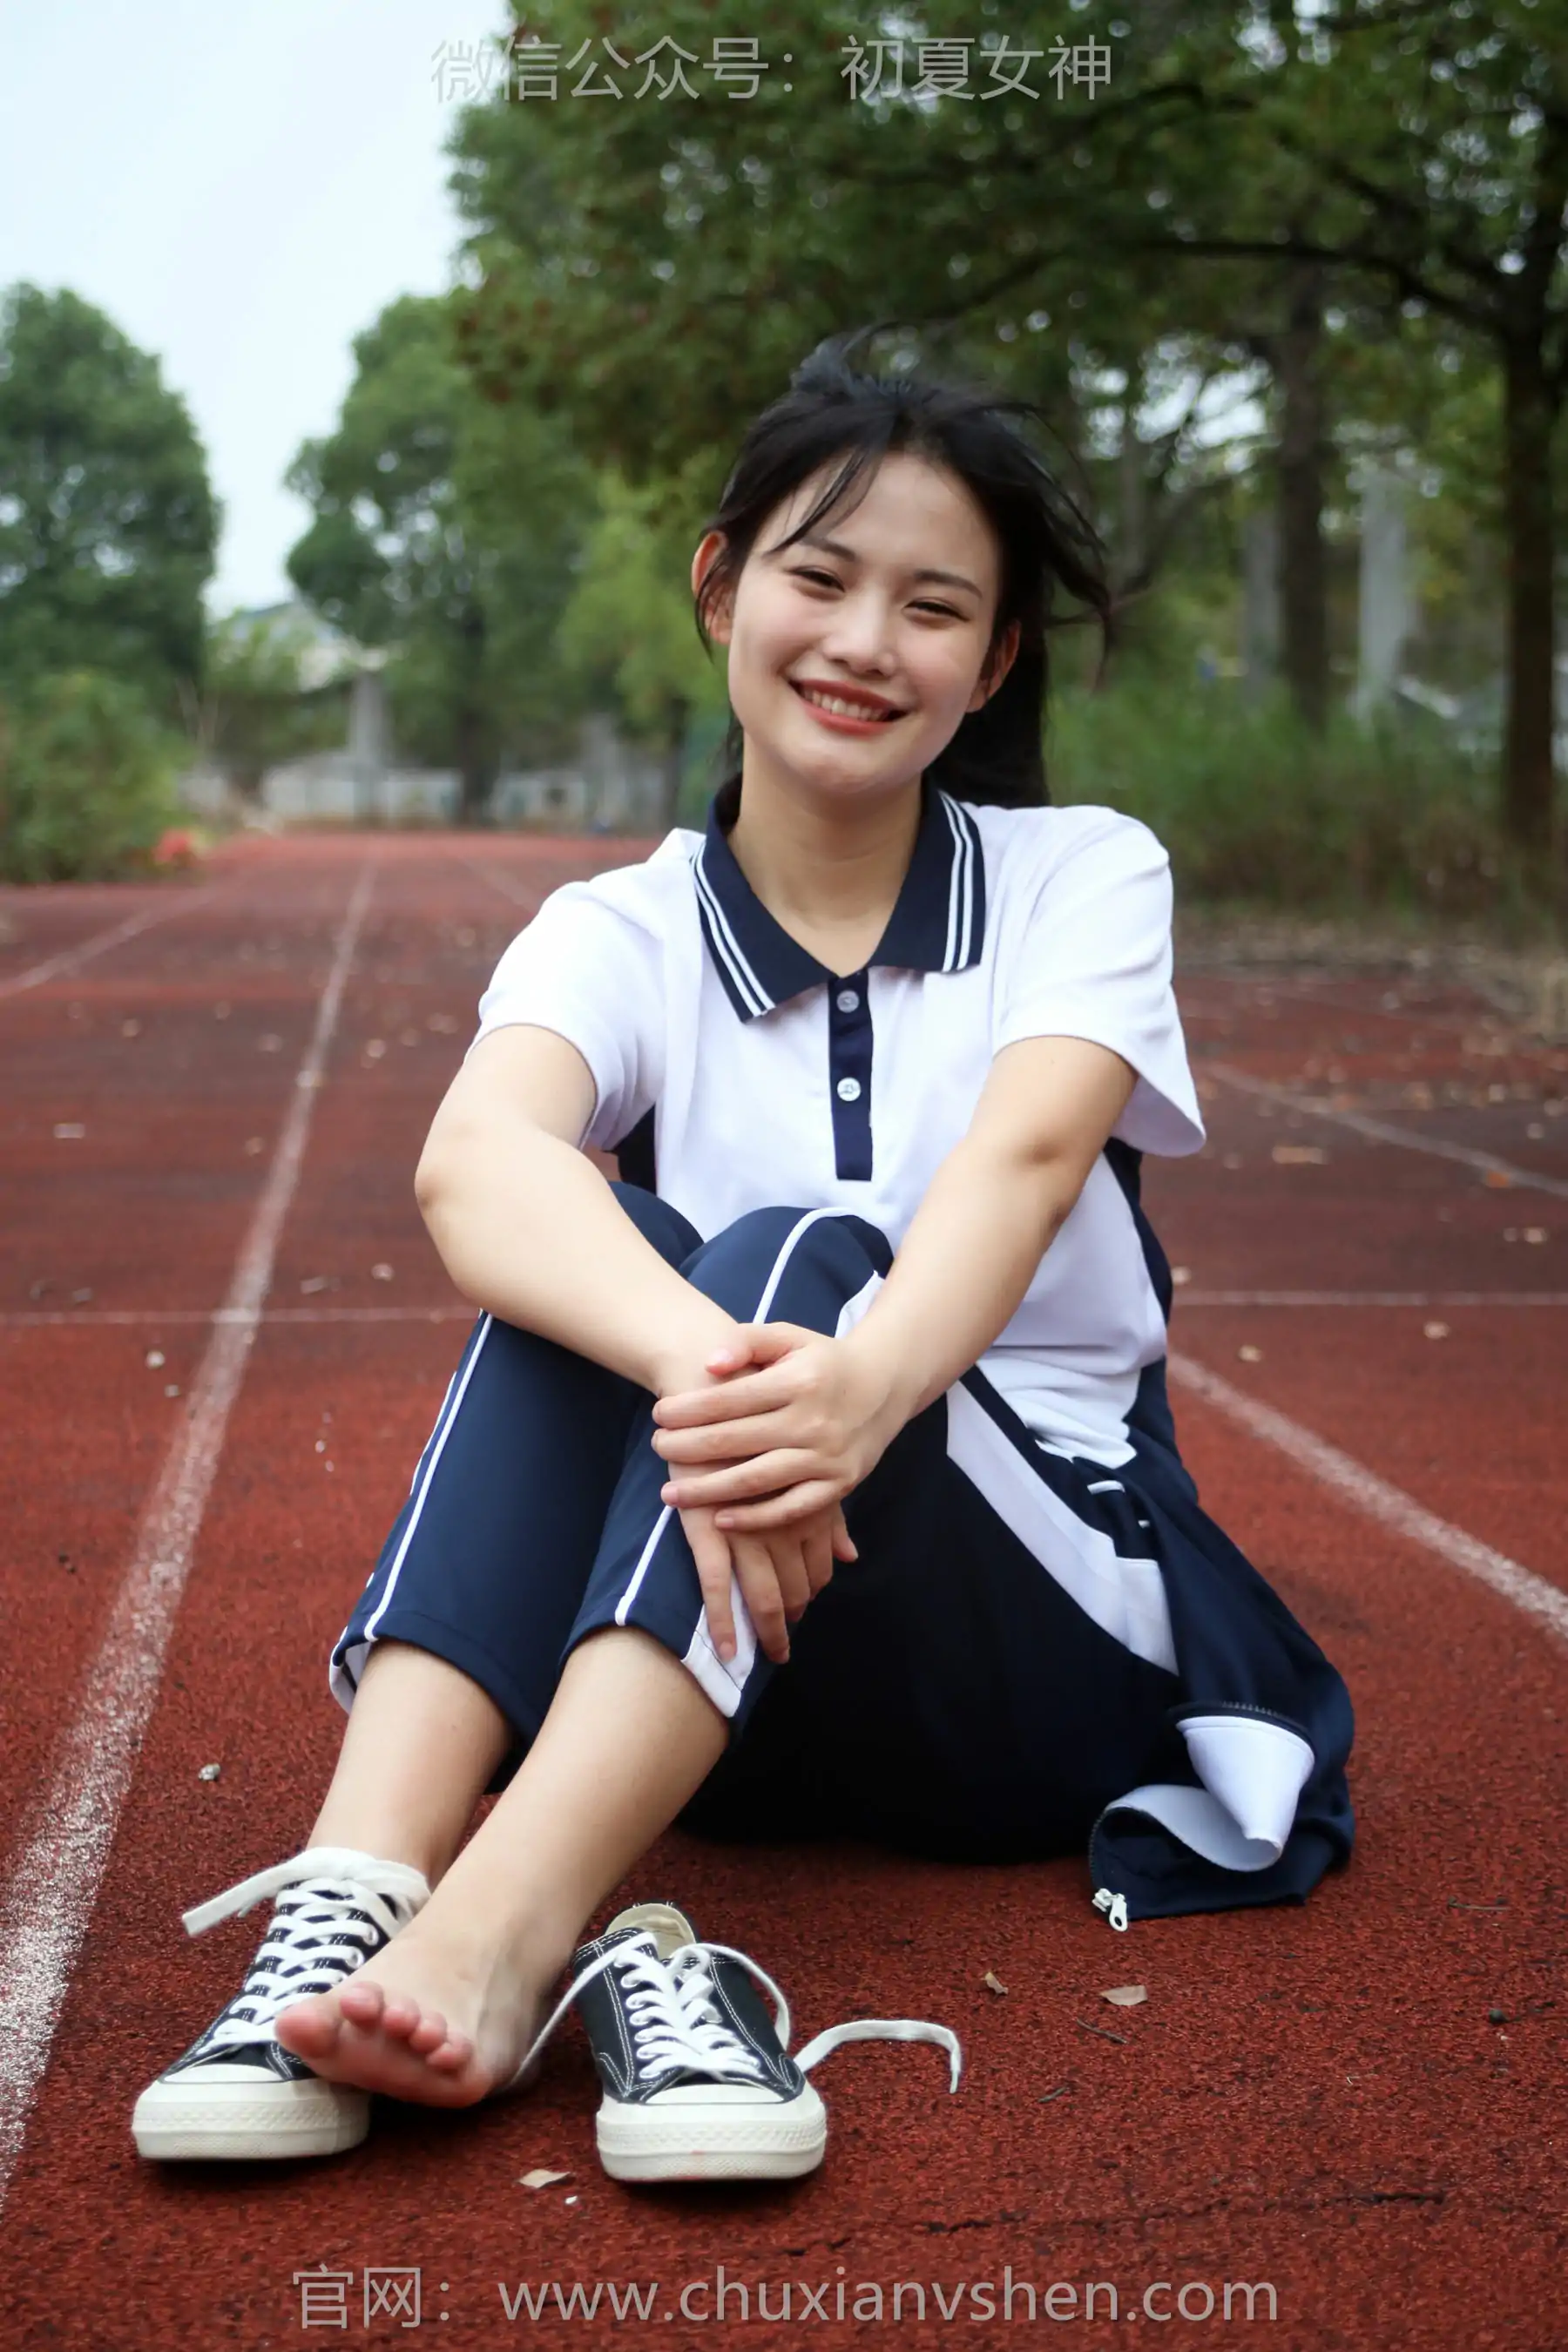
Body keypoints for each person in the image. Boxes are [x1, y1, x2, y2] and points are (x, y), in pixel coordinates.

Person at [132, 326, 1355, 2184]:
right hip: (736, 1690)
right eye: (819, 577)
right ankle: (354, 1888)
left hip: (1042, 1649)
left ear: (991, 663)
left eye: (933, 607)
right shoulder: (617, 931)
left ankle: (501, 1931)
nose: (866, 642)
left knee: (804, 1254)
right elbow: (473, 1166)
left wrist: (856, 1387)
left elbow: (1028, 1163)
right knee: (595, 1244)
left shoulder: (1081, 877)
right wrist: (730, 1369)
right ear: (721, 589)